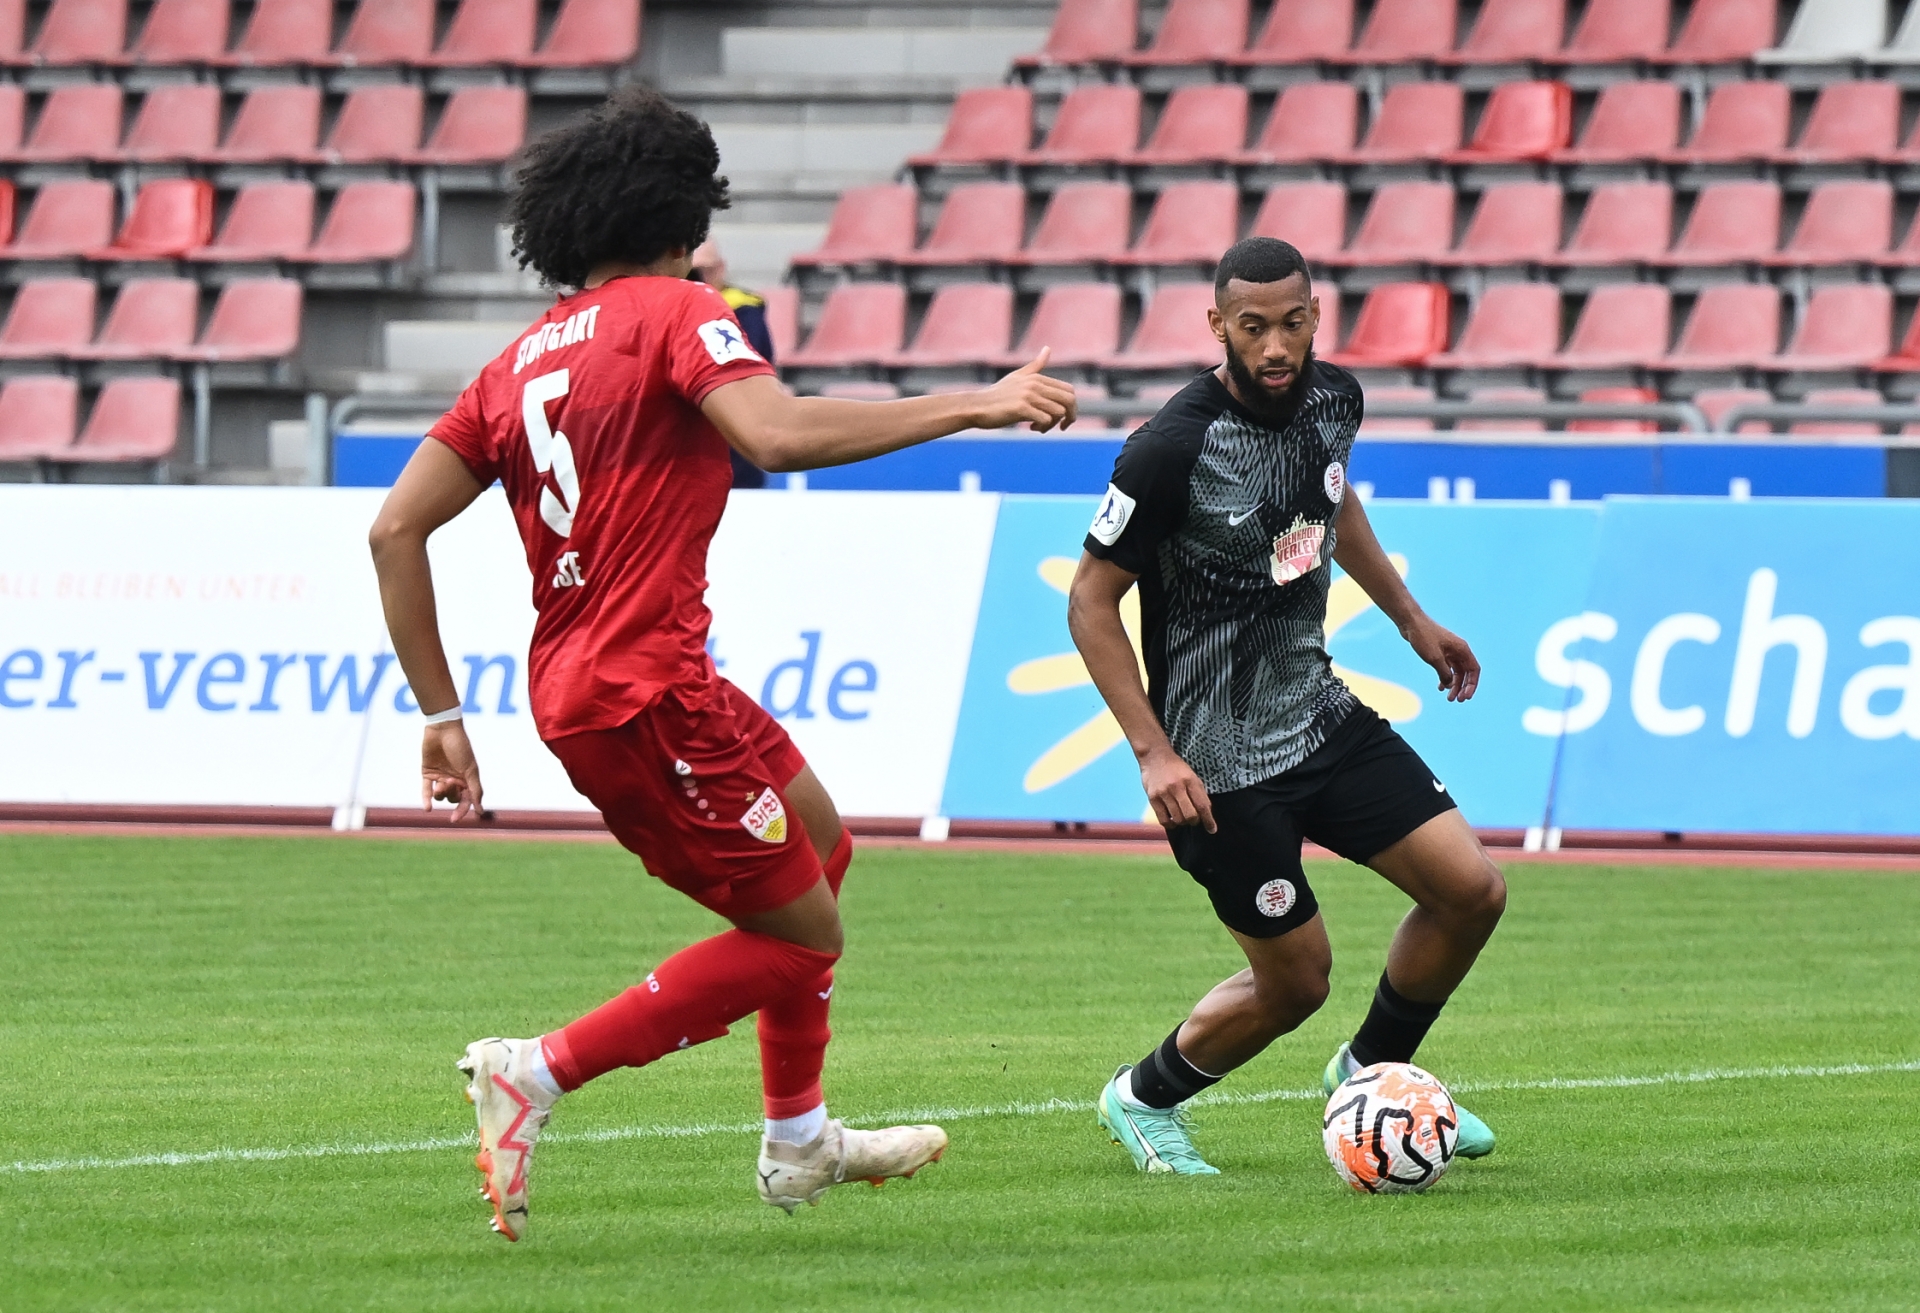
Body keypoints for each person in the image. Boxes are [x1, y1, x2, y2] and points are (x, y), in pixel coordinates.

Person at [368, 86, 1076, 1240]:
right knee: (803, 935)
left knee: (823, 840)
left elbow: (394, 529)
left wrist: (440, 713)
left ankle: (800, 1140)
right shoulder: (677, 310)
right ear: (684, 215)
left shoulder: (514, 362)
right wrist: (974, 405)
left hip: (625, 681)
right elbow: (777, 434)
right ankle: (535, 1070)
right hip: (643, 693)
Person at [1067, 237, 1505, 1176]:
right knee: (1297, 981)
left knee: (1471, 892)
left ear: (1315, 318)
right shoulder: (1169, 449)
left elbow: (1334, 503)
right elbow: (1090, 602)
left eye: (1293, 323)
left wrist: (1413, 621)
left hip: (1317, 712)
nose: (1275, 346)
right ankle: (1142, 1097)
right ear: (1218, 325)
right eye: (1253, 327)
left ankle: (1372, 1070)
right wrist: (1154, 752)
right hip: (1216, 761)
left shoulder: (1336, 399)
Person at [690, 238, 774, 490]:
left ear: (721, 268)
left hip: (734, 422)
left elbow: (746, 367)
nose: (699, 278)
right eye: (693, 271)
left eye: (705, 270)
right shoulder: (675, 306)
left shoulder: (743, 308)